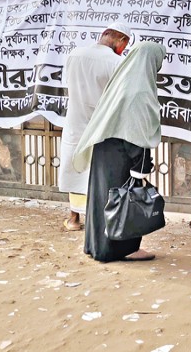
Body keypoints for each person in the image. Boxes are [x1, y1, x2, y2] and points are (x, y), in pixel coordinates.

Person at [73, 42, 166, 263]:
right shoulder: (140, 90)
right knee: (124, 200)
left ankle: (97, 246)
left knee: (103, 198)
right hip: (124, 154)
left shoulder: (122, 81)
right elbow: (138, 132)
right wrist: (141, 169)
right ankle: (124, 249)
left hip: (105, 148)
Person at [58, 22, 131, 231]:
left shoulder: (75, 54)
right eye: (124, 43)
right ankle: (96, 219)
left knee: (77, 168)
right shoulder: (117, 62)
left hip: (76, 119)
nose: (123, 48)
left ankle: (73, 218)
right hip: (102, 124)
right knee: (97, 171)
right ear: (118, 39)